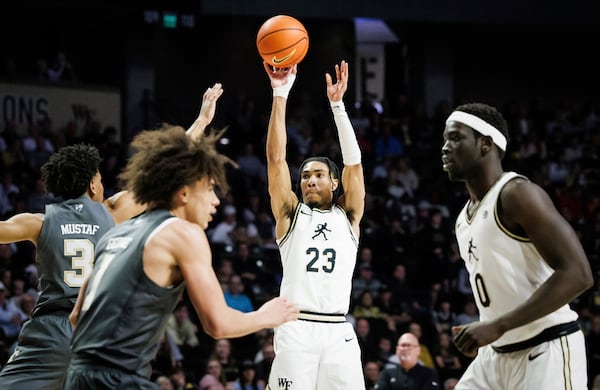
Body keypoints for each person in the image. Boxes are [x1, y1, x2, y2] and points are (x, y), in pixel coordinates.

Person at [64, 83, 299, 389]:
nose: (217, 200)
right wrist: (267, 316)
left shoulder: (117, 233)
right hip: (117, 380)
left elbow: (75, 317)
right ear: (184, 193)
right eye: (210, 189)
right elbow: (218, 324)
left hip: (77, 375)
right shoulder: (182, 234)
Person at [441, 102, 593, 389]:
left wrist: (498, 325)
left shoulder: (517, 194)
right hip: (495, 356)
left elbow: (578, 274)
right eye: (445, 139)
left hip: (547, 348)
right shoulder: (463, 218)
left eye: (456, 138)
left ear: (485, 144)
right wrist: (489, 325)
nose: (445, 147)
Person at [0, 142, 144, 389]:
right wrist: (199, 125)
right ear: (91, 185)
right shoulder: (112, 213)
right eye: (99, 180)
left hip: (53, 332)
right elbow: (162, 176)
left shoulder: (39, 221)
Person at [263, 59, 366, 389]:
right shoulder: (291, 214)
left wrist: (338, 107)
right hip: (297, 328)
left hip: (338, 330)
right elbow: (276, 160)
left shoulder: (348, 215)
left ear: (335, 183)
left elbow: (355, 164)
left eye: (318, 175)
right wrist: (281, 93)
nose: (308, 180)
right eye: (305, 176)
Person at [374, 333, 440, 389]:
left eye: (409, 346)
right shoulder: (386, 374)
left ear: (418, 350)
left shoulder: (429, 373)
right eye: (403, 345)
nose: (405, 349)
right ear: (397, 350)